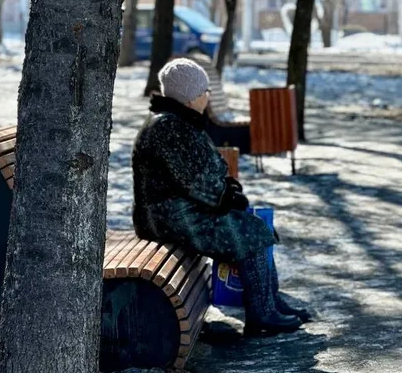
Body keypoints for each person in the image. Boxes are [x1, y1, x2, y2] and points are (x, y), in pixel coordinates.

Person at [133, 58, 311, 336]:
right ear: (191, 97)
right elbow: (197, 182)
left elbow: (203, 173)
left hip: (179, 210)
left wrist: (227, 191)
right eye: (205, 91)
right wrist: (228, 196)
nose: (208, 97)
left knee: (255, 227)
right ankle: (262, 314)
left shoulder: (177, 122)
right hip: (169, 217)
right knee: (250, 232)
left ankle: (271, 304)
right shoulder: (170, 127)